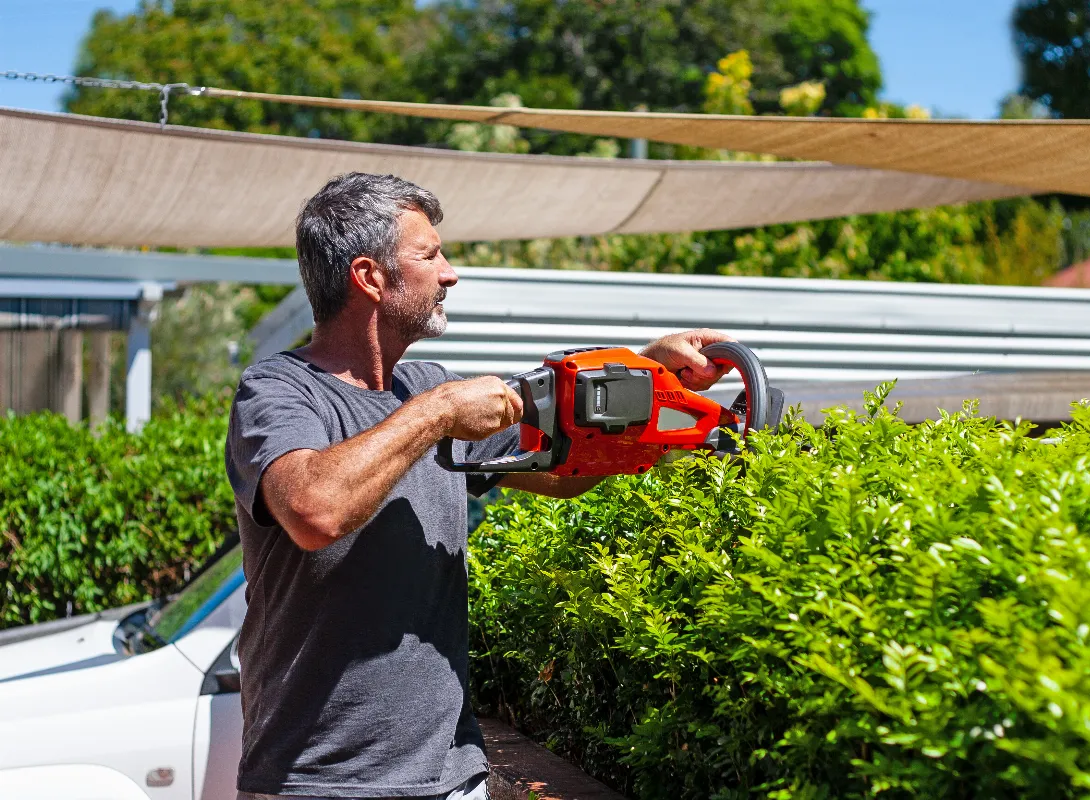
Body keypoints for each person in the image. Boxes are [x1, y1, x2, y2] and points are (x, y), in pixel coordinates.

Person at [225, 172, 734, 800]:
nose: (450, 273)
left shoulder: (423, 385)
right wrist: (437, 412)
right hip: (319, 781)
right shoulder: (279, 390)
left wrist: (647, 374)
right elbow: (314, 510)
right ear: (370, 278)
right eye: (429, 254)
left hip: (452, 775)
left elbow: (558, 472)